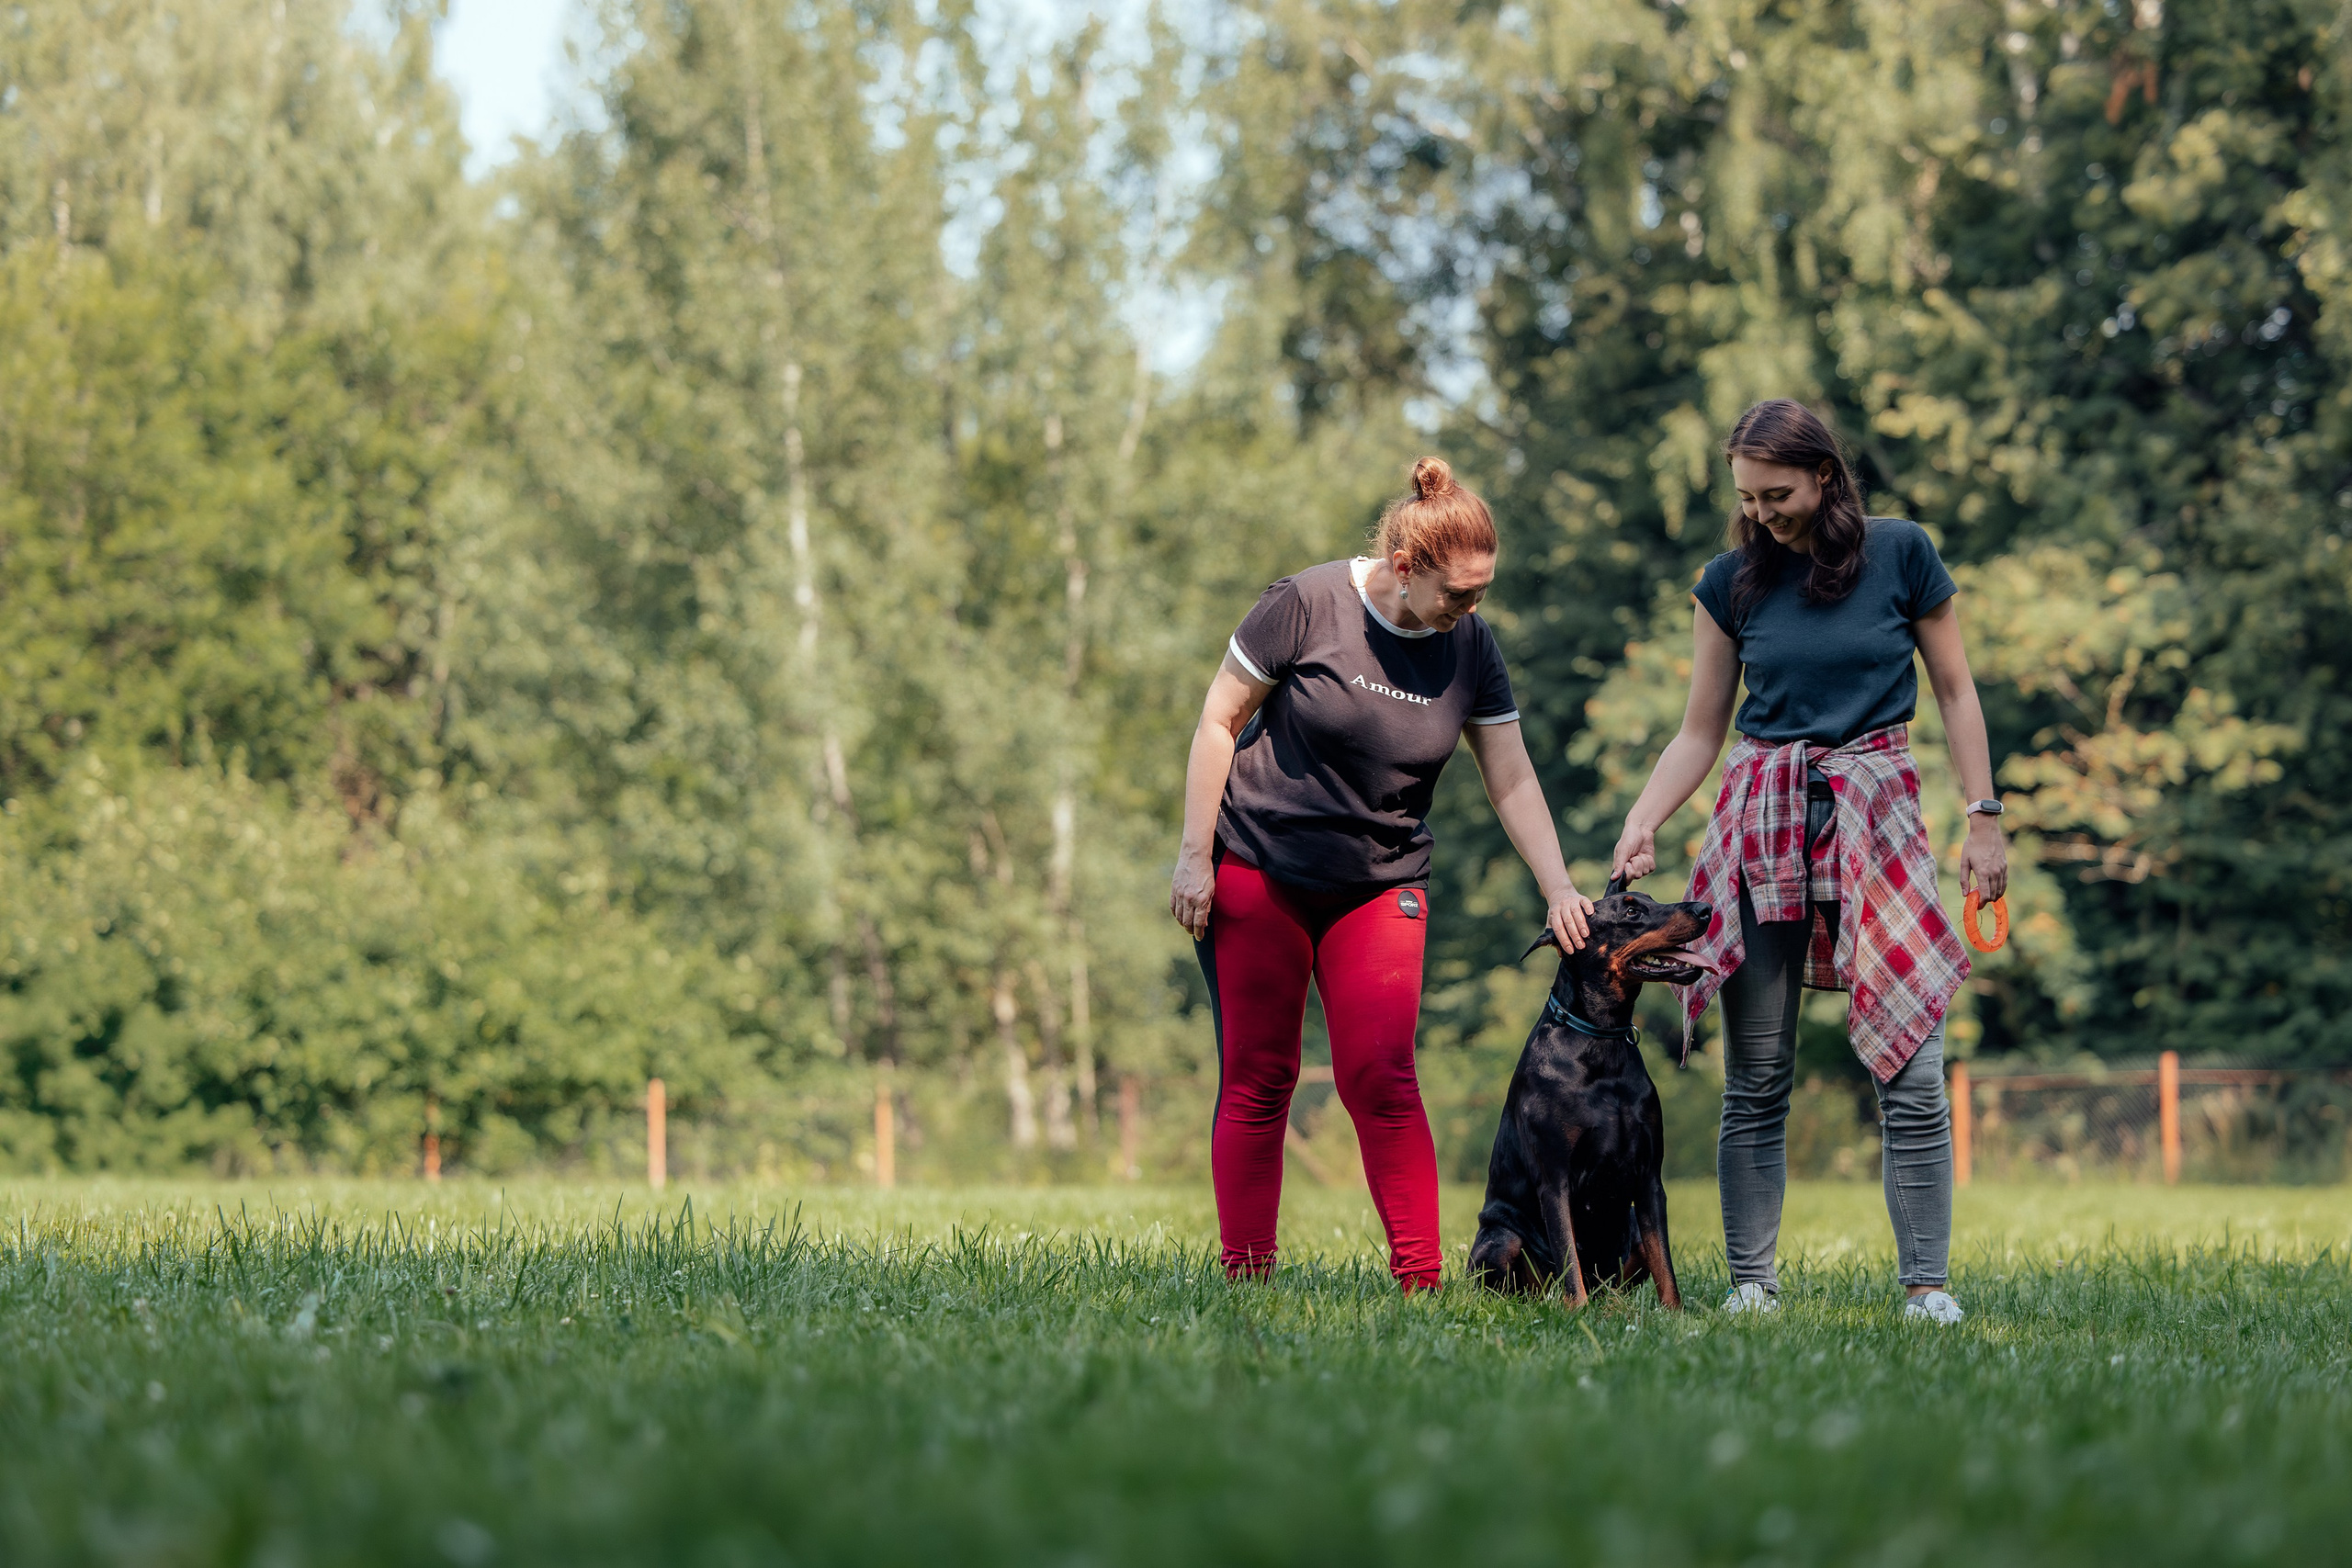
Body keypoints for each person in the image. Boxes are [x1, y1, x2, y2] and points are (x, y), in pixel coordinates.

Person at [1607, 400, 2009, 1323]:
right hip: (1760, 819)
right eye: (1746, 498)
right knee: (1756, 1076)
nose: (1761, 513)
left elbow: (1954, 689)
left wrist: (1984, 816)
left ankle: (1927, 1288)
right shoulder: (1730, 582)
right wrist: (1642, 818)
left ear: (1824, 475)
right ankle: (1752, 1285)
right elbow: (1698, 730)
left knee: (1910, 1064)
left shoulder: (1902, 553)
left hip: (1877, 815)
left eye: (1776, 493)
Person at [1170, 457, 1595, 1292]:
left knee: (1384, 1076)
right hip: (1261, 866)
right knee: (1262, 1077)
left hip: (1379, 882)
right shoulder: (1306, 605)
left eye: (1483, 590)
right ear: (1406, 567)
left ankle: (1421, 1285)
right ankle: (1246, 1277)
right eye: (1460, 593)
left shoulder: (1470, 646)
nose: (1474, 609)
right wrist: (1194, 854)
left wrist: (1558, 884)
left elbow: (1510, 775)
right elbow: (1220, 719)